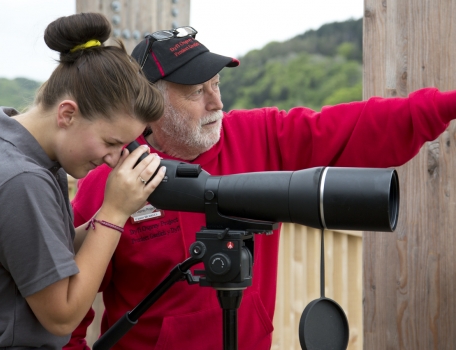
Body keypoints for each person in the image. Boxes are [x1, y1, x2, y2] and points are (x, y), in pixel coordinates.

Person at [65, 26, 456, 350]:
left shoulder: (262, 136)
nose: (217, 103)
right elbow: (68, 305)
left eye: (216, 84)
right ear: (150, 103)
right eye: (196, 92)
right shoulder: (109, 182)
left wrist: (447, 105)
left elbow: (356, 125)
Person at [0, 13, 167, 349]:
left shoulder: (9, 151)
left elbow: (44, 250)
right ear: (67, 114)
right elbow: (62, 315)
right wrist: (114, 212)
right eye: (110, 142)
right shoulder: (21, 181)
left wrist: (115, 209)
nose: (113, 158)